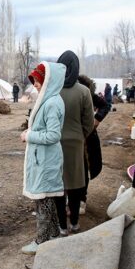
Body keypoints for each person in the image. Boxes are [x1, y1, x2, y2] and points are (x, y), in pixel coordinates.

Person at [20, 62, 66, 254]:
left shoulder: (52, 103)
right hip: (43, 159)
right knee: (45, 200)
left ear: (49, 81)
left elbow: (54, 135)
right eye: (35, 81)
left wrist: (29, 135)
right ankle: (54, 235)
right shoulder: (48, 100)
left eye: (38, 80)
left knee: (43, 203)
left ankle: (41, 242)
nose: (36, 84)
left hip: (46, 161)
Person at [55, 50, 95, 235]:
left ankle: (62, 227)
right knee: (75, 184)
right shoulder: (84, 92)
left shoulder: (52, 90)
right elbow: (89, 122)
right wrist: (80, 136)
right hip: (76, 144)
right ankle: (75, 224)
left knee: (59, 185)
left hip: (54, 144)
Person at [77, 75, 110, 215]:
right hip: (68, 136)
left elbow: (105, 105)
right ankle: (70, 198)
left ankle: (81, 200)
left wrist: (97, 118)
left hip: (86, 137)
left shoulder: (87, 92)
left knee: (83, 167)